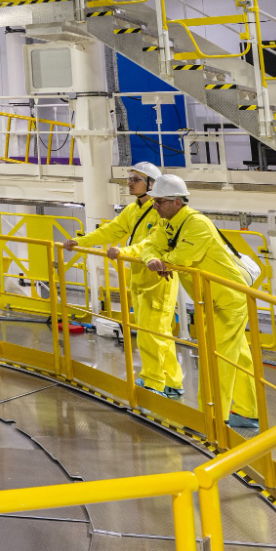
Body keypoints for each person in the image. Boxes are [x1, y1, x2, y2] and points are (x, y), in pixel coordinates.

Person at [125, 175, 262, 432]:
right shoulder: (170, 224)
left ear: (177, 202)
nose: (155, 206)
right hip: (211, 299)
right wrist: (157, 259)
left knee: (216, 358)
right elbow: (148, 247)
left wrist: (162, 261)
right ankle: (247, 412)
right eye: (154, 201)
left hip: (228, 300)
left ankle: (210, 419)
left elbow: (183, 257)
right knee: (238, 357)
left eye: (160, 202)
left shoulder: (197, 224)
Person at [76, 161, 181, 398]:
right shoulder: (133, 210)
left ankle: (156, 383)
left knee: (152, 335)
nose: (129, 183)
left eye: (135, 179)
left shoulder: (161, 211)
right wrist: (81, 242)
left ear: (151, 184)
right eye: (129, 178)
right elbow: (111, 230)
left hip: (158, 281)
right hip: (141, 280)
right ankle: (172, 381)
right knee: (157, 334)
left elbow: (151, 243)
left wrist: (125, 252)